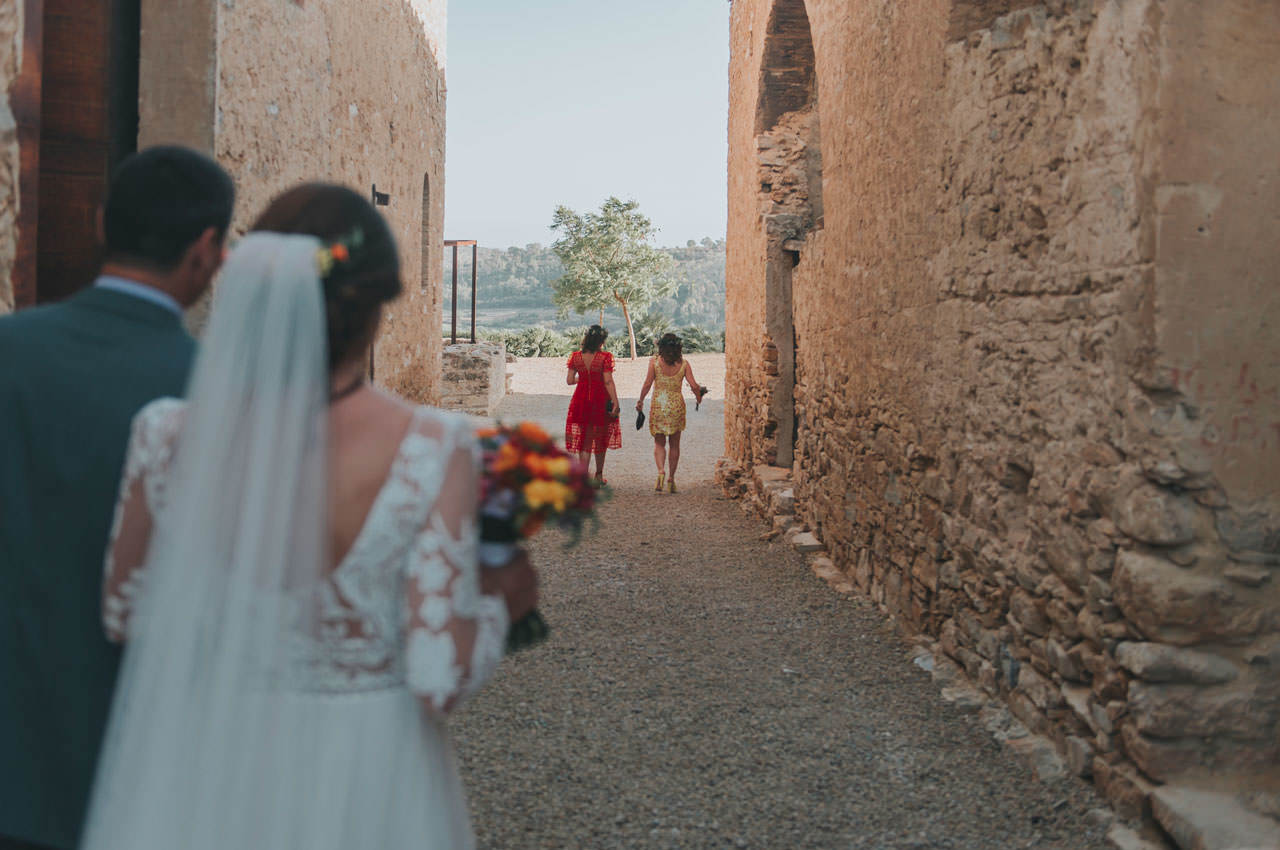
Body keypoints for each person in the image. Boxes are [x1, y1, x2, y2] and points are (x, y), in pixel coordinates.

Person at [80, 184, 538, 850]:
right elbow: (439, 678)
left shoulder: (166, 435)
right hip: (369, 770)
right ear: (379, 308)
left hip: (209, 759)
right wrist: (504, 605)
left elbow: (125, 615)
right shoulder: (433, 445)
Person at [0, 146, 234, 850]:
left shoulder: (8, 349)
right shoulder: (220, 396)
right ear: (207, 249)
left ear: (103, 224)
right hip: (136, 760)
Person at [635, 333, 705, 494]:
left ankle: (660, 472)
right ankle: (671, 479)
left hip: (659, 404)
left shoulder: (654, 362)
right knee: (675, 445)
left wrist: (640, 400)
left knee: (659, 443)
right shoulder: (684, 364)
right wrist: (698, 397)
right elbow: (694, 385)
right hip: (676, 407)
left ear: (661, 347)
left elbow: (647, 383)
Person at [564, 325, 621, 484]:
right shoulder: (605, 357)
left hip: (581, 401)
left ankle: (583, 478)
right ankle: (598, 475)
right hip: (600, 400)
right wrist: (615, 402)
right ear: (601, 342)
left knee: (584, 440)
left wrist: (582, 379)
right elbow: (608, 381)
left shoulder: (575, 357)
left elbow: (569, 381)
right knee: (600, 439)